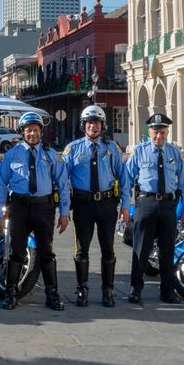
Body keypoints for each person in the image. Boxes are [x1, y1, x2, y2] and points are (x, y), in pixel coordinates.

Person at [0, 112, 70, 310]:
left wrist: (63, 212)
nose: (32, 134)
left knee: (46, 252)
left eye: (36, 130)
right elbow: (1, 184)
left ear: (41, 132)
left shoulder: (50, 154)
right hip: (19, 206)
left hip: (44, 207)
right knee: (16, 251)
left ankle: (52, 294)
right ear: (22, 132)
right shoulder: (12, 155)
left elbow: (62, 184)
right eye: (29, 130)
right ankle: (11, 293)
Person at [62, 105, 131, 308]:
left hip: (107, 203)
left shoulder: (112, 149)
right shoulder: (73, 149)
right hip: (83, 204)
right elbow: (62, 180)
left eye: (97, 122)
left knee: (108, 248)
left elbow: (124, 178)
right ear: (83, 125)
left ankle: (108, 290)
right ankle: (82, 289)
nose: (93, 126)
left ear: (103, 125)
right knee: (82, 249)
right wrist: (64, 211)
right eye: (90, 123)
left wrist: (125, 206)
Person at [125, 113, 184, 304]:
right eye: (155, 132)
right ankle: (135, 289)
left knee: (167, 250)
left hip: (169, 205)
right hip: (147, 203)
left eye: (162, 132)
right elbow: (127, 179)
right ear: (149, 132)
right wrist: (126, 206)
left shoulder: (174, 153)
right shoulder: (140, 151)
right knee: (141, 249)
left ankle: (167, 291)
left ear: (167, 132)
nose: (158, 136)